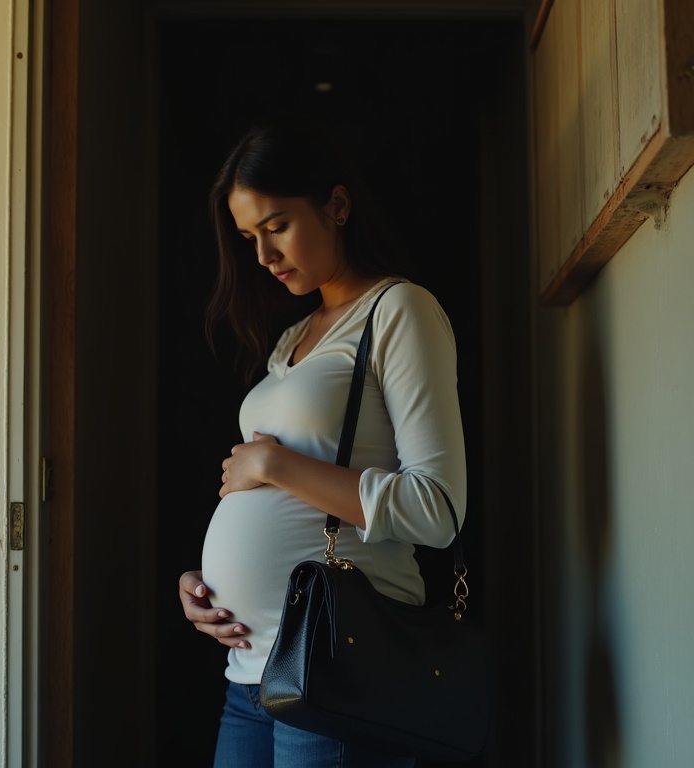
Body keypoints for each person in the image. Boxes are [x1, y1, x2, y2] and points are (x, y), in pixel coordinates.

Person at [178, 120, 468, 768]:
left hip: (337, 672)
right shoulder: (292, 338)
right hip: (249, 673)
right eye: (249, 237)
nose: (262, 255)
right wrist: (208, 584)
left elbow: (438, 510)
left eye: (276, 225)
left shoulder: (399, 310)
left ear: (337, 205)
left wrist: (275, 464)